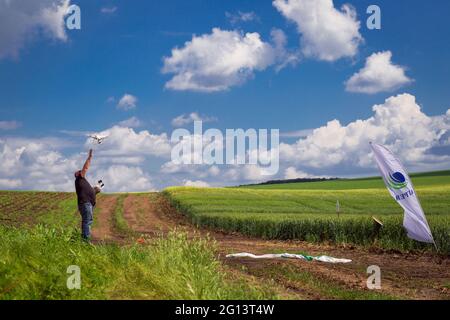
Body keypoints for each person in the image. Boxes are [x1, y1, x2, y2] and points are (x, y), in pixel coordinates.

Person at [74, 149, 96, 241]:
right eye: (80, 171)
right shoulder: (80, 178)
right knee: (87, 221)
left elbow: (88, 192)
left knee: (87, 221)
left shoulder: (82, 182)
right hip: (86, 203)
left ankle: (84, 239)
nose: (81, 171)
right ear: (79, 174)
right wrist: (90, 157)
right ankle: (85, 240)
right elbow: (85, 167)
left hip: (87, 203)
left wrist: (95, 190)